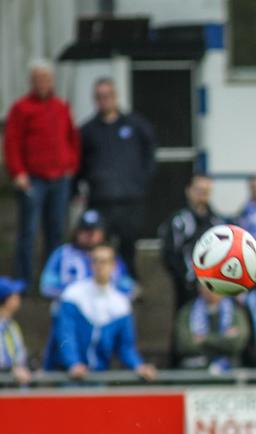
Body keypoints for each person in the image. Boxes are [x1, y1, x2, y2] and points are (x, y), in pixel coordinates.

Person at [3, 59, 80, 288]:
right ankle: (23, 280)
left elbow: (72, 138)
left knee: (56, 230)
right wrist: (18, 173)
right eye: (38, 79)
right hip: (33, 179)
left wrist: (71, 164)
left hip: (59, 178)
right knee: (28, 231)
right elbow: (12, 143)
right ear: (31, 81)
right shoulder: (21, 108)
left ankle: (52, 279)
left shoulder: (61, 106)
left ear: (52, 80)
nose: (43, 83)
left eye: (46, 78)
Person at [76, 78, 156, 279]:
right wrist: (77, 188)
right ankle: (100, 282)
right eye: (100, 96)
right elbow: (79, 163)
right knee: (100, 246)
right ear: (95, 99)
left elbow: (150, 153)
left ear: (115, 96)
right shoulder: (87, 130)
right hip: (101, 199)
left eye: (108, 96)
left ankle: (129, 283)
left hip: (130, 199)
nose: (105, 100)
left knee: (128, 244)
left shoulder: (135, 125)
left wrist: (141, 181)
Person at [44, 244, 156, 381]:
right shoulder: (73, 295)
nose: (99, 266)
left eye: (104, 261)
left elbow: (126, 346)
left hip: (99, 376)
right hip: (68, 375)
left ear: (113, 265)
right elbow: (66, 335)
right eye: (95, 261)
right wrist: (73, 363)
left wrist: (138, 365)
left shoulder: (120, 304)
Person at [159, 174, 226, 311]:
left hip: (216, 286)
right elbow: (169, 255)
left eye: (206, 191)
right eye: (199, 190)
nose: (202, 195)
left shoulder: (218, 222)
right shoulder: (178, 221)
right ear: (188, 190)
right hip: (186, 287)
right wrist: (187, 279)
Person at [39, 209, 135, 301]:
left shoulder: (108, 254)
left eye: (94, 231)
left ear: (102, 233)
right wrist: (79, 294)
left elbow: (128, 287)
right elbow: (47, 286)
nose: (90, 235)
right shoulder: (62, 253)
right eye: (85, 231)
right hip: (72, 309)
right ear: (77, 232)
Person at [174, 281, 249, 370]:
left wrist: (203, 339)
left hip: (229, 371)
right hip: (195, 371)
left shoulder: (235, 312)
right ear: (199, 288)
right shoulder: (187, 312)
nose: (211, 290)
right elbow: (184, 345)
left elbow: (237, 344)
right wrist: (223, 339)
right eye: (207, 285)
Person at [0, 277, 30, 386]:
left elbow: (19, 356)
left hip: (15, 387)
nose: (18, 297)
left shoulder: (12, 325)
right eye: (14, 295)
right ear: (5, 299)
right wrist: (10, 371)